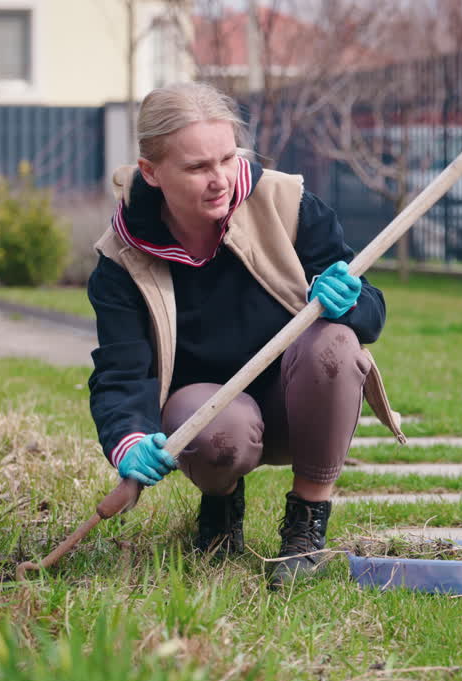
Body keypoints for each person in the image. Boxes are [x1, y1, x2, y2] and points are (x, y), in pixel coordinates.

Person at [87, 82, 404, 589]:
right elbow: (121, 372)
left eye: (227, 158)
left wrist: (352, 300)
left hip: (299, 404)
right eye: (196, 167)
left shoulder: (290, 204)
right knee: (218, 434)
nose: (219, 180)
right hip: (209, 420)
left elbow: (372, 311)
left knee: (337, 344)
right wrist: (127, 440)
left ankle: (305, 524)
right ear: (151, 172)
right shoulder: (121, 261)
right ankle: (220, 502)